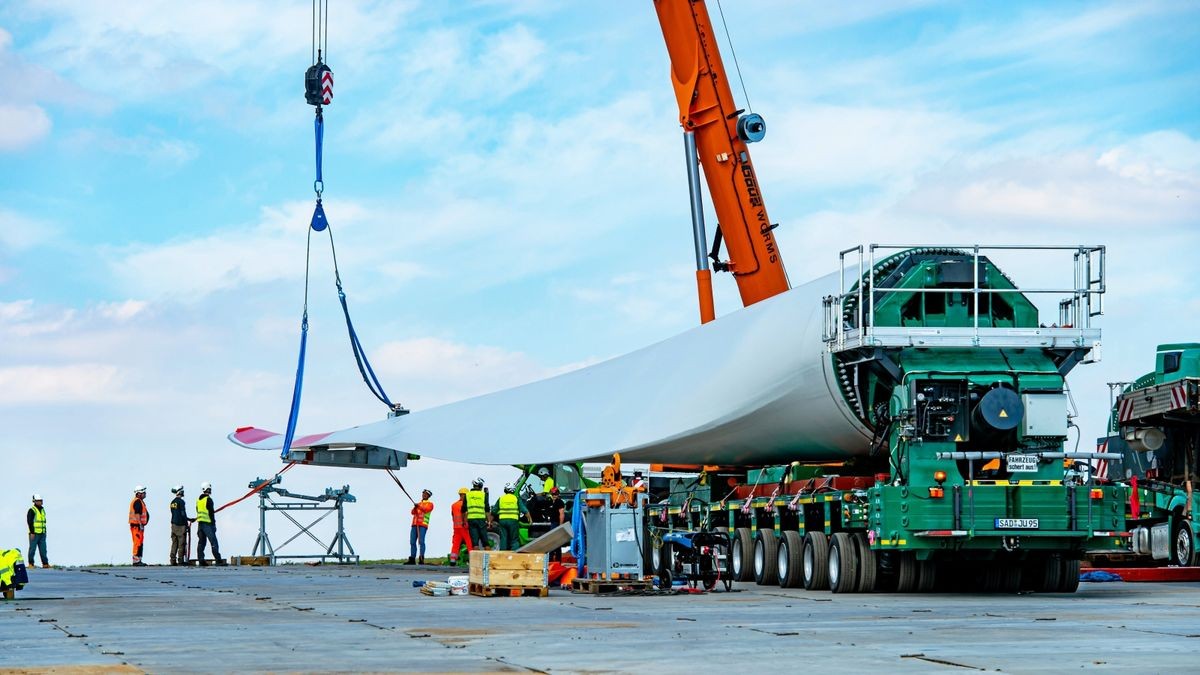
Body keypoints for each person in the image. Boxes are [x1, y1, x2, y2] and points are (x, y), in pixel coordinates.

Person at [195, 482, 227, 566]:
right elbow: (211, 513)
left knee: (201, 542)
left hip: (200, 524)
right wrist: (214, 524)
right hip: (208, 524)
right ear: (208, 489)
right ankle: (218, 560)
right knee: (213, 542)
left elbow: (198, 511)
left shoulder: (198, 500)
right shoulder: (208, 499)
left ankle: (201, 560)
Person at [492, 483, 529, 551]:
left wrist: (490, 521)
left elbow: (494, 511)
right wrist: (530, 518)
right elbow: (524, 510)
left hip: (502, 521)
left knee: (503, 538)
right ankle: (514, 554)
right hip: (513, 521)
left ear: (505, 490)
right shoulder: (516, 498)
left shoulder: (501, 498)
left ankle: (503, 554)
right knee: (514, 539)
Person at [407, 489, 434, 565]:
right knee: (412, 542)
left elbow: (426, 510)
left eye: (425, 494)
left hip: (422, 525)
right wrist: (415, 507)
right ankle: (412, 558)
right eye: (423, 494)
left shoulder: (430, 504)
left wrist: (418, 506)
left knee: (421, 541)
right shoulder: (418, 504)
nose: (423, 495)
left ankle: (421, 558)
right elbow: (412, 512)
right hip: (415, 524)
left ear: (428, 496)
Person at [169, 486, 193, 566]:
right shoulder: (181, 502)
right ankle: (181, 560)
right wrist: (187, 523)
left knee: (174, 543)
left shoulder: (172, 502)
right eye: (182, 491)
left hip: (173, 525)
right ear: (179, 492)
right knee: (181, 544)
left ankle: (172, 560)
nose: (183, 492)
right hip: (180, 525)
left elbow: (175, 513)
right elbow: (182, 513)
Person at [447, 487, 472, 566]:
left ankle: (453, 560)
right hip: (465, 527)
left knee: (456, 544)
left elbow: (453, 516)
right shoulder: (467, 505)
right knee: (469, 543)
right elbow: (467, 515)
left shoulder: (454, 505)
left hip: (456, 527)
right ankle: (472, 559)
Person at [466, 478, 490, 550]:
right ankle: (490, 558)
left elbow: (463, 509)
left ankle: (476, 560)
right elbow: (487, 508)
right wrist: (489, 520)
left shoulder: (468, 495)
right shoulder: (483, 494)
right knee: (485, 541)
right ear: (480, 485)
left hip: (471, 519)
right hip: (481, 519)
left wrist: (464, 521)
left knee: (475, 543)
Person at [27, 494, 49, 569]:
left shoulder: (43, 510)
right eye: (39, 501)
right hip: (34, 534)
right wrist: (32, 532)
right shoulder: (32, 510)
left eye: (41, 500)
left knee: (43, 549)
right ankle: (31, 564)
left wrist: (45, 531)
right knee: (32, 549)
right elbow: (29, 522)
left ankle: (45, 564)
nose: (40, 502)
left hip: (42, 534)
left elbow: (44, 521)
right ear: (34, 501)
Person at [129, 486, 149, 566]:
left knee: (140, 542)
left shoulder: (140, 501)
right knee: (137, 542)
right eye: (144, 493)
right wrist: (140, 524)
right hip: (136, 526)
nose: (145, 494)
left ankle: (139, 559)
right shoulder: (137, 502)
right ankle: (136, 560)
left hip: (138, 526)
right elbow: (137, 514)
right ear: (139, 493)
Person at [546, 487, 566, 562]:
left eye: (556, 494)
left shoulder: (559, 502)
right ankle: (556, 560)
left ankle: (553, 559)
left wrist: (560, 525)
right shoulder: (550, 502)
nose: (554, 496)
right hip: (552, 523)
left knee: (553, 541)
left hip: (556, 523)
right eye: (553, 494)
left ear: (558, 494)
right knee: (556, 542)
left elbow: (561, 514)